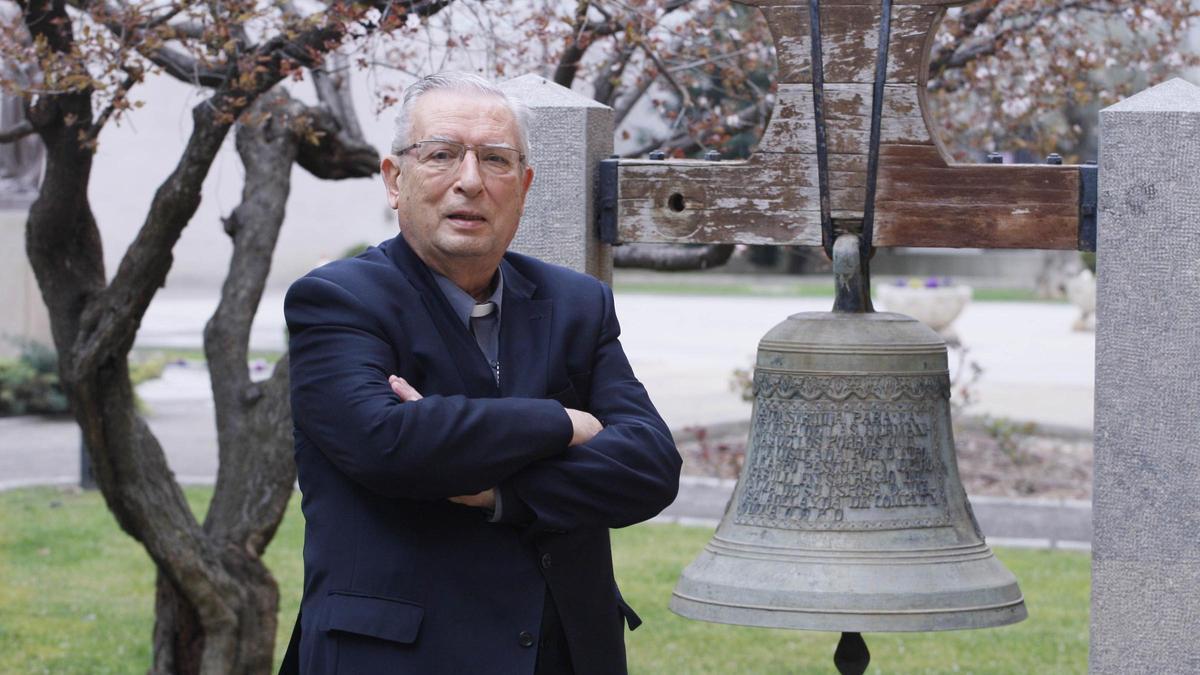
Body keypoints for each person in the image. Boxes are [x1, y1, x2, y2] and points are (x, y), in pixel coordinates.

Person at [280, 72, 681, 675]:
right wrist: (562, 422)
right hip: (399, 657)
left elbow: (650, 467)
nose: (470, 181)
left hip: (562, 654)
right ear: (395, 179)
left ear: (522, 186)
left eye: (495, 160)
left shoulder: (576, 303)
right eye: (441, 154)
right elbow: (389, 445)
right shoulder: (339, 301)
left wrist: (501, 492)